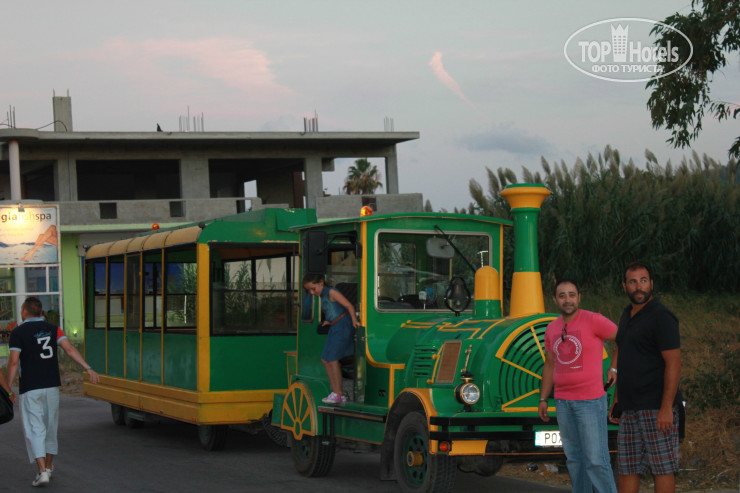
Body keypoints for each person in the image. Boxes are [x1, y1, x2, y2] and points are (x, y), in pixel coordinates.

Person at [6, 296, 100, 487]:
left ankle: (42, 472)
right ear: (40, 311)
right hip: (51, 386)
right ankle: (48, 467)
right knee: (50, 427)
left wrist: (8, 389)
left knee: (35, 429)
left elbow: (14, 362)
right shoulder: (53, 329)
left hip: (30, 387)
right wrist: (88, 368)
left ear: (25, 311)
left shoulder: (18, 332)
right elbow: (69, 349)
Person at [539, 278, 618, 493]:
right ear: (555, 300)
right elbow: (550, 364)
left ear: (579, 298)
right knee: (574, 459)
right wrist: (544, 398)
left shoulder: (593, 320)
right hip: (563, 402)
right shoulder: (552, 328)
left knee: (596, 460)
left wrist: (614, 368)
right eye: (562, 296)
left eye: (572, 295)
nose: (567, 300)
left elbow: (623, 338)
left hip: (590, 402)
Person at [609, 262, 681, 493]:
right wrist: (618, 400)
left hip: (656, 407)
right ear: (624, 286)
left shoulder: (662, 316)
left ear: (651, 284)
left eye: (643, 281)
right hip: (630, 408)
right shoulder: (626, 315)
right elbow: (624, 356)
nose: (638, 286)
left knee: (662, 467)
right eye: (632, 282)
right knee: (627, 468)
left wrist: (666, 407)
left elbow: (673, 363)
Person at [302, 274, 360, 405]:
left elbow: (349, 306)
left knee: (333, 359)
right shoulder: (322, 295)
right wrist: (329, 321)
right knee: (325, 359)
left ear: (321, 282)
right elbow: (334, 310)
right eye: (309, 290)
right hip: (335, 326)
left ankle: (338, 393)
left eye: (313, 288)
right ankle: (335, 392)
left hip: (342, 326)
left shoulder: (332, 292)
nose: (312, 292)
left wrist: (354, 320)